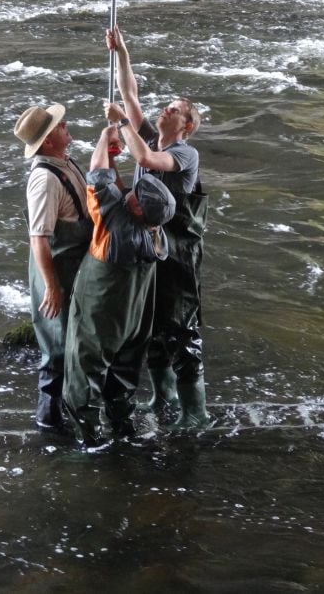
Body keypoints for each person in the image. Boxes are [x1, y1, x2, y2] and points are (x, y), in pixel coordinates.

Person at [104, 25, 209, 428]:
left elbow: (146, 160)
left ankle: (194, 412)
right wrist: (123, 51)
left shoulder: (184, 153)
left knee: (180, 325)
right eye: (167, 105)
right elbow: (129, 96)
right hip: (148, 245)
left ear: (186, 125)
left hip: (179, 253)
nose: (166, 109)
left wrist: (122, 125)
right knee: (149, 326)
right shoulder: (151, 137)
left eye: (176, 110)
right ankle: (162, 397)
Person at [63, 124, 175, 450]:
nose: (131, 192)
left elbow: (97, 177)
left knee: (84, 371)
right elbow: (118, 192)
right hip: (135, 316)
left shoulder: (115, 228)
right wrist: (114, 156)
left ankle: (90, 440)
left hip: (102, 307)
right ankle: (123, 427)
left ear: (137, 208)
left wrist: (104, 137)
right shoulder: (156, 232)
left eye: (137, 195)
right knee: (124, 371)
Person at [14, 103, 92, 431]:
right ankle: (49, 423)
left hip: (74, 263)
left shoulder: (64, 160)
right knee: (56, 346)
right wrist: (52, 287)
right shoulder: (44, 179)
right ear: (47, 141)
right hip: (56, 267)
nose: (66, 127)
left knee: (73, 340)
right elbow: (39, 239)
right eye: (60, 126)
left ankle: (69, 409)